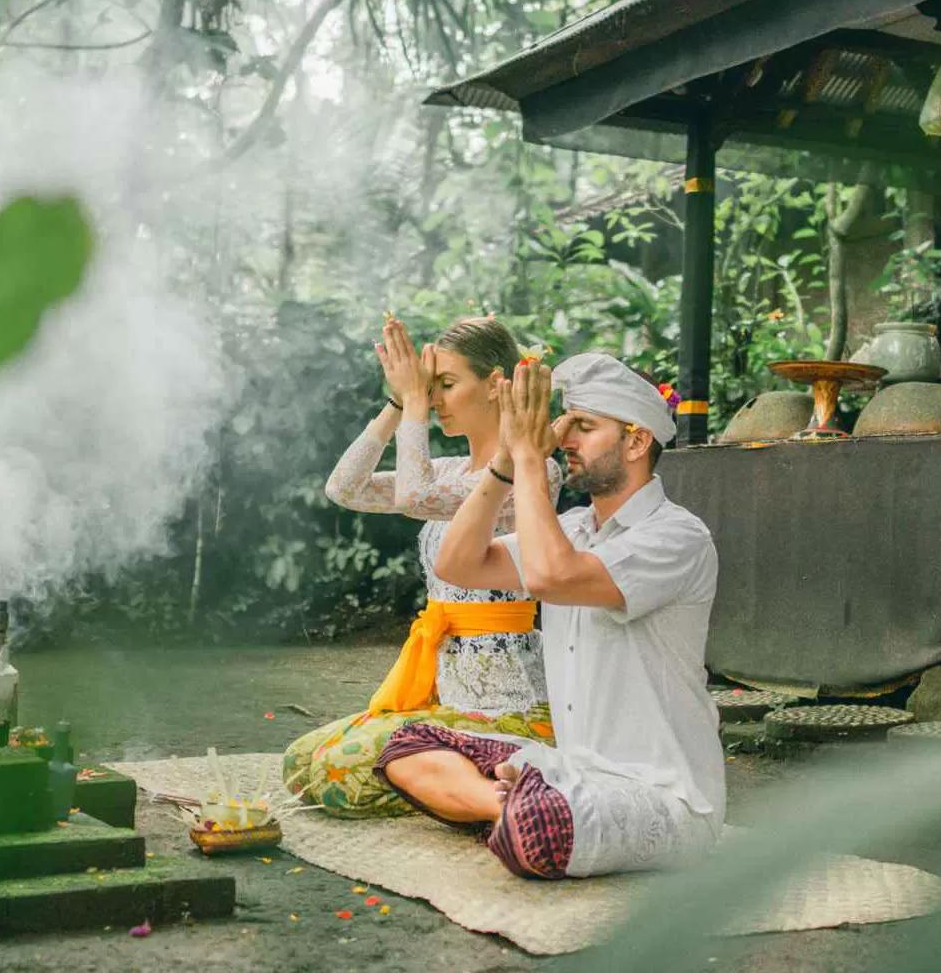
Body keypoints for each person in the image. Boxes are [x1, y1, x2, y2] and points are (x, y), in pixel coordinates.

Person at [375, 354, 723, 879]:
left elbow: (553, 577)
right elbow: (459, 563)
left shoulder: (677, 536)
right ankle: (503, 806)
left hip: (663, 797)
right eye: (565, 425)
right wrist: (505, 465)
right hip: (570, 771)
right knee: (408, 745)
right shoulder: (577, 527)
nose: (564, 439)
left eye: (584, 426)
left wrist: (531, 462)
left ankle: (523, 809)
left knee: (540, 828)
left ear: (636, 442)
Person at [283, 316, 562, 819]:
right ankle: (463, 776)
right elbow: (343, 489)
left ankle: (488, 780)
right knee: (302, 761)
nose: (435, 401)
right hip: (445, 695)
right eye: (430, 390)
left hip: (510, 704)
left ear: (496, 384)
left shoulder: (531, 471)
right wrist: (397, 404)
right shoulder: (455, 470)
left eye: (446, 386)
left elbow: (415, 497)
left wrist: (412, 403)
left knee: (335, 770)